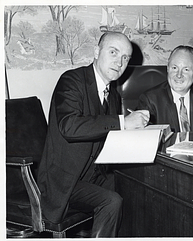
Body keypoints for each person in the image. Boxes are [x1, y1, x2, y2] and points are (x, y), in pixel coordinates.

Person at [37, 32, 149, 238]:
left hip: (93, 175)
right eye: (114, 52)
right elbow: (69, 127)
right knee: (112, 201)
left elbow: (108, 136)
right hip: (64, 180)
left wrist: (141, 135)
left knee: (138, 188)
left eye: (126, 58)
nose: (120, 62)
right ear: (96, 52)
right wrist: (123, 122)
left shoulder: (112, 93)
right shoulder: (71, 80)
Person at [137, 45, 193, 133]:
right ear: (168, 69)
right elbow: (146, 138)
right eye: (174, 68)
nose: (179, 75)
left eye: (186, 69)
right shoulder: (150, 99)